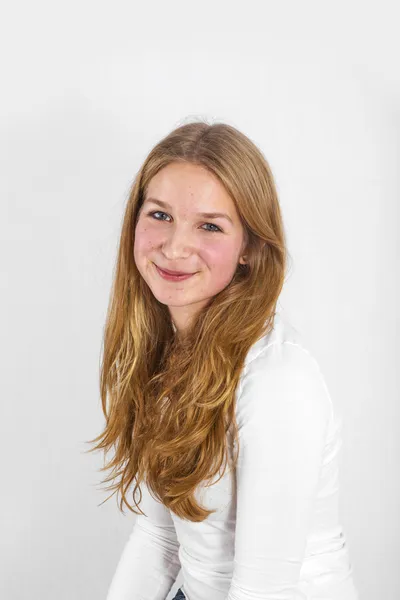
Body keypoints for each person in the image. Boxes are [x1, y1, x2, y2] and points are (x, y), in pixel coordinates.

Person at [87, 120, 359, 599]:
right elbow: (160, 539)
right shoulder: (167, 353)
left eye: (209, 225)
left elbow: (263, 590)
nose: (174, 246)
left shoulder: (278, 379)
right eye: (159, 215)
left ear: (250, 247)